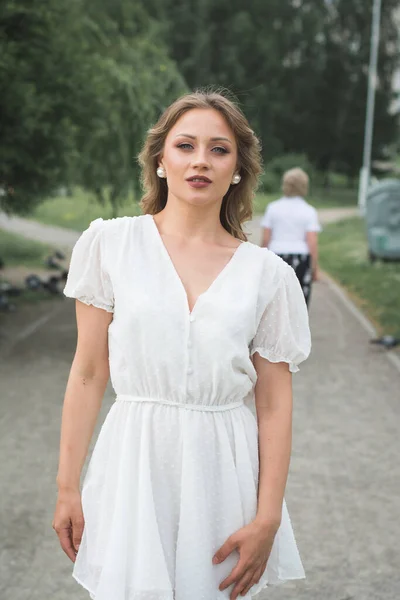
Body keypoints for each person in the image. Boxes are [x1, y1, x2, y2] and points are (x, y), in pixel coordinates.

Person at [53, 90, 311, 600]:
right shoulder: (112, 246)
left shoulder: (269, 276)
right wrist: (66, 486)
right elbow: (87, 372)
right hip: (134, 463)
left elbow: (274, 403)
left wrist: (268, 517)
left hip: (223, 471)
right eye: (185, 145)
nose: (200, 160)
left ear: (238, 169)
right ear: (161, 160)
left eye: (219, 149)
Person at [261, 168, 321, 306]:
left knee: (276, 302)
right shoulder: (309, 211)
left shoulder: (272, 208)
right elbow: (312, 242)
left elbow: (266, 238)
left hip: (276, 256)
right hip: (301, 258)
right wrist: (315, 268)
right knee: (299, 302)